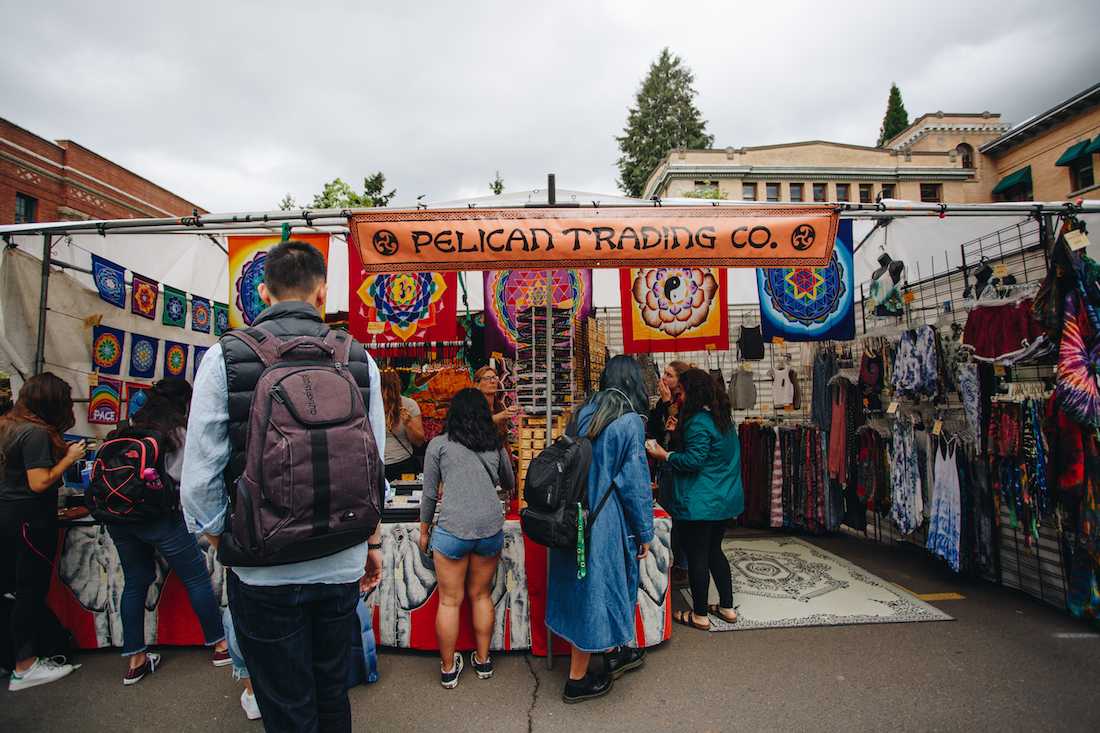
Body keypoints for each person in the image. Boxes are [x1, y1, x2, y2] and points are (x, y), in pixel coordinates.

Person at [181, 240, 386, 733]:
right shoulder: (358, 357)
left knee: (286, 705)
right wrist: (369, 541)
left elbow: (199, 477)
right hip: (341, 560)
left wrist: (222, 538)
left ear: (263, 292)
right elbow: (372, 463)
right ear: (322, 294)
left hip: (262, 568)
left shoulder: (224, 357)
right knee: (333, 694)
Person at [105, 379, 230, 685]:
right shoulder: (178, 433)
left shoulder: (126, 429)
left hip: (119, 518)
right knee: (196, 577)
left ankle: (135, 657)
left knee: (134, 582)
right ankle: (219, 644)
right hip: (162, 517)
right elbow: (187, 479)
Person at [546, 355, 654, 703]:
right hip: (604, 521)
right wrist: (645, 532)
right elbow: (635, 485)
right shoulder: (629, 423)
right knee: (599, 590)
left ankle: (614, 652)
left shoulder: (582, 413)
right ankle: (577, 680)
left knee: (585, 588)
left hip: (574, 516)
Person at [418, 387, 513, 688]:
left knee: (450, 600)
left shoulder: (438, 445)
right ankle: (483, 662)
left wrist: (423, 530)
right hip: (489, 528)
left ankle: (448, 669)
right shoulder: (495, 444)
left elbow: (430, 494)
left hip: (452, 529)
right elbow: (508, 482)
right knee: (481, 595)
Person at [0, 373, 84, 691]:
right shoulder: (34, 434)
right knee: (29, 591)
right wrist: (70, 459)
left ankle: (15, 659)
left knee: (14, 590)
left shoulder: (8, 425)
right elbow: (39, 482)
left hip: (9, 516)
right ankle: (26, 665)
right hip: (29, 522)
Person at [646, 368, 743, 631]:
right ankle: (726, 607)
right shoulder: (721, 417)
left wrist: (664, 455)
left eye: (682, 392)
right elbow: (711, 454)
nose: (679, 396)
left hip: (703, 501)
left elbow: (694, 460)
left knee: (698, 554)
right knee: (714, 552)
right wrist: (679, 432)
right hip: (722, 498)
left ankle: (699, 614)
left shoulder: (700, 421)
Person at [647, 360, 690, 584]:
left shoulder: (685, 403)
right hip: (664, 463)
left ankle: (683, 564)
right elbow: (655, 427)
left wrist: (666, 403)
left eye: (669, 375)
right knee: (668, 512)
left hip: (677, 462)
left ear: (680, 380)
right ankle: (677, 561)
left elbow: (678, 429)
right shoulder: (664, 402)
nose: (663, 378)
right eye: (664, 373)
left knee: (679, 514)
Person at [381, 368, 426, 481]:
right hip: (378, 465)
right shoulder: (371, 405)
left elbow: (419, 441)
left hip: (402, 463)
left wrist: (408, 424)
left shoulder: (409, 405)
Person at [474, 365, 519, 431]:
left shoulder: (499, 405)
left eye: (494, 378)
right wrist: (501, 416)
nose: (492, 381)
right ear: (477, 385)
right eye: (487, 378)